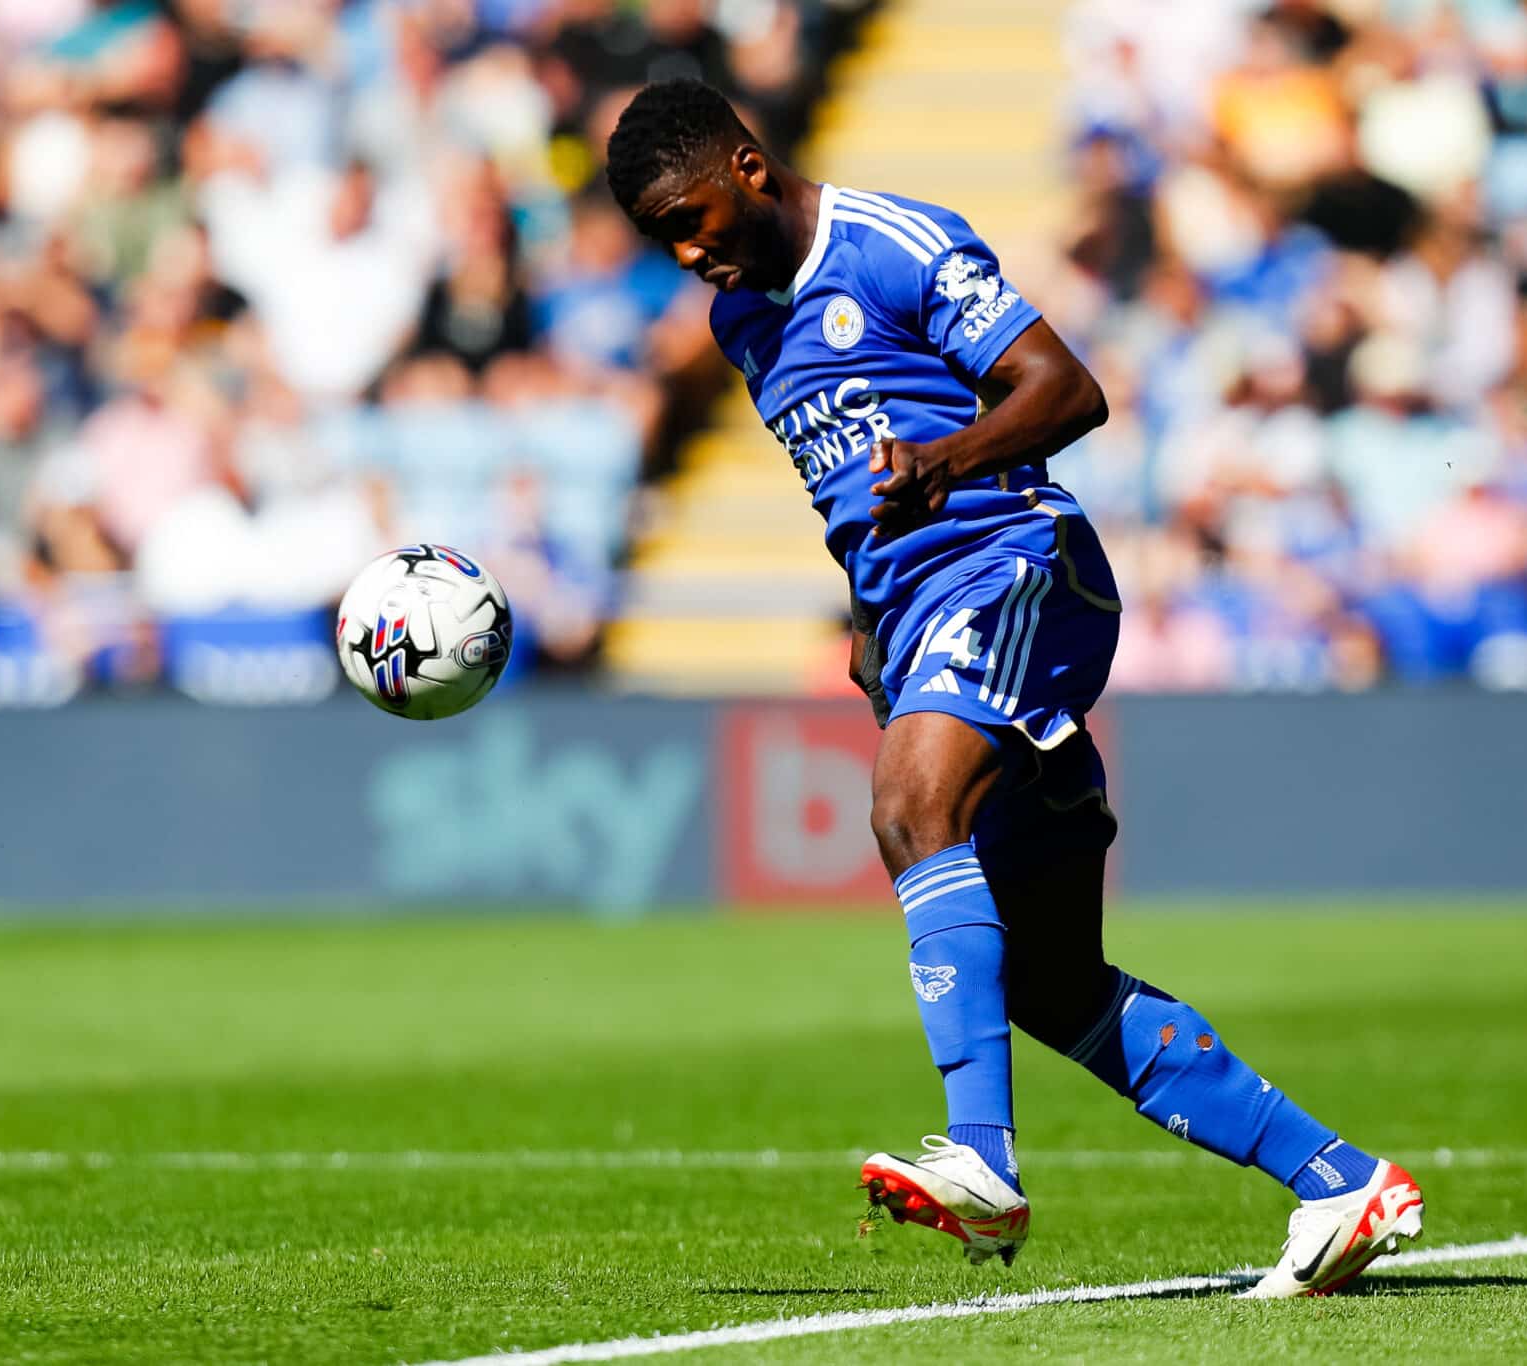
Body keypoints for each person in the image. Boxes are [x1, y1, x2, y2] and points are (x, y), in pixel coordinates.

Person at [605, 79, 1424, 1297]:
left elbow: (1064, 389)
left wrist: (948, 459)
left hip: (1017, 564)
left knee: (906, 807)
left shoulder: (893, 245)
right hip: (923, 610)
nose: (686, 250)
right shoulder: (744, 325)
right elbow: (853, 489)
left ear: (747, 165)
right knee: (1050, 983)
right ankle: (1340, 1181)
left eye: (691, 214)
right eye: (659, 237)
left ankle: (980, 1160)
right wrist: (868, 617)